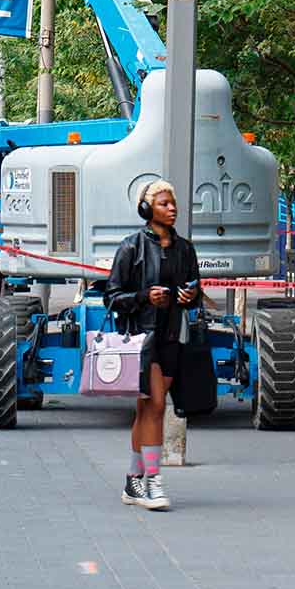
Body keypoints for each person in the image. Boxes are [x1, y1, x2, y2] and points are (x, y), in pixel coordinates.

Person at [104, 180, 200, 512]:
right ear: (147, 209)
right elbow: (112, 296)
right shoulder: (131, 247)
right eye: (164, 203)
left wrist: (190, 297)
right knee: (158, 406)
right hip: (142, 340)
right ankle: (153, 482)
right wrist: (145, 297)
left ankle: (132, 479)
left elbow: (193, 289)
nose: (172, 208)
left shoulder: (185, 249)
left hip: (172, 336)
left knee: (146, 410)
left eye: (173, 203)